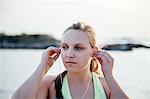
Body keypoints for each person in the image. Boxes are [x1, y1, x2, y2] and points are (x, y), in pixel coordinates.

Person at [12, 22, 129, 99]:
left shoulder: (106, 85)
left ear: (94, 52)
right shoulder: (50, 84)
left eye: (78, 48)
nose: (69, 54)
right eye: (65, 47)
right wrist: (42, 67)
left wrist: (109, 76)